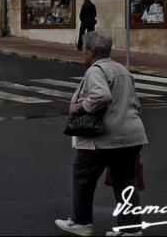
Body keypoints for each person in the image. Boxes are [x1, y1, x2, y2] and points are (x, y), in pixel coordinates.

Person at [55, 30, 147, 237]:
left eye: (84, 48)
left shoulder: (96, 71)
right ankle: (130, 229)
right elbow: (135, 103)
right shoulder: (122, 69)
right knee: (126, 183)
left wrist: (79, 107)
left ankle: (81, 221)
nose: (82, 52)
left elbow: (101, 96)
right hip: (131, 134)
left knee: (82, 178)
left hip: (104, 137)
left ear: (92, 51)